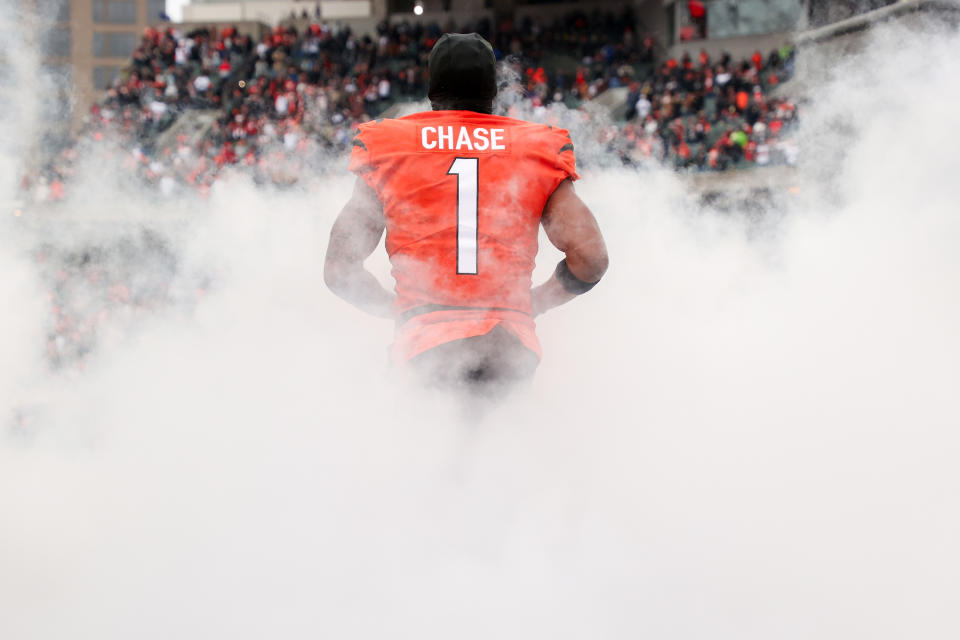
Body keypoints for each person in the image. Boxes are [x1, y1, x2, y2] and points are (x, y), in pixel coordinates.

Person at [324, 33, 608, 396]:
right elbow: (591, 258)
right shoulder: (535, 147)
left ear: (432, 91)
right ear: (493, 92)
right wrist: (537, 302)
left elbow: (339, 268)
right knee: (507, 448)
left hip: (424, 343)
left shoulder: (388, 145)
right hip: (508, 345)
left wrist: (395, 310)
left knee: (405, 444)